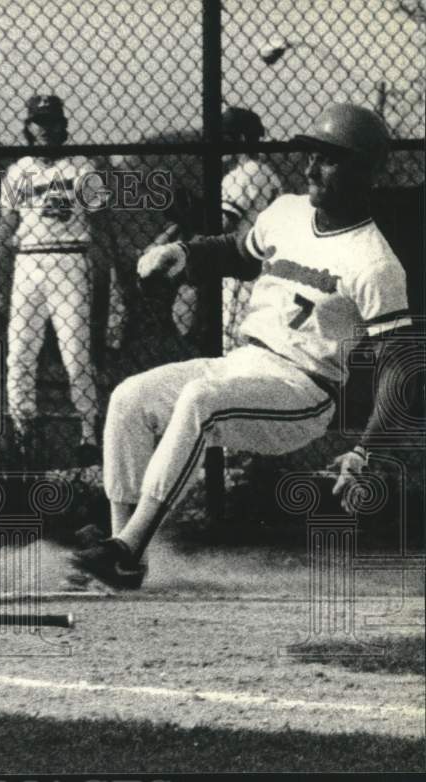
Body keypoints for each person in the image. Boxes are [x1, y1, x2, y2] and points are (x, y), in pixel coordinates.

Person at [63, 103, 412, 590]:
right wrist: (181, 253)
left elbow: (402, 368)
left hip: (303, 391)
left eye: (328, 158)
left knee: (200, 402)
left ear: (365, 170)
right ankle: (123, 549)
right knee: (129, 396)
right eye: (310, 154)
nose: (311, 167)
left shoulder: (375, 263)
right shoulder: (288, 211)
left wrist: (365, 452)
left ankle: (126, 547)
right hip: (245, 362)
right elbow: (238, 251)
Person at [0, 94, 121, 465]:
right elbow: (5, 226)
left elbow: (101, 224)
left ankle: (89, 434)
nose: (45, 129)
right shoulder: (19, 170)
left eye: (51, 121)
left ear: (63, 125)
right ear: (28, 127)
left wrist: (114, 275)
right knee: (20, 353)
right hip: (27, 263)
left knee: (76, 354)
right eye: (38, 122)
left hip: (70, 259)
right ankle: (23, 433)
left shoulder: (82, 167)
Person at [219, 107, 282, 353]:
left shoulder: (246, 174)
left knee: (232, 345)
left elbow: (223, 224)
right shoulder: (267, 173)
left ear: (241, 140)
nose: (220, 145)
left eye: (225, 138)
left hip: (241, 272)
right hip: (262, 267)